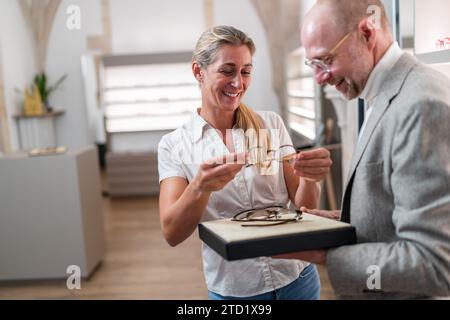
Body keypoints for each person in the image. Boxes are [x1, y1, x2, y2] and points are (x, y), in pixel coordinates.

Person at [276, 0, 450, 299]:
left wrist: (328, 255)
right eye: (313, 65)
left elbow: (436, 265)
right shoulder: (381, 94)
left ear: (367, 33)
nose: (320, 78)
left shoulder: (420, 104)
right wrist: (345, 222)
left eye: (326, 60)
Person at [158, 25, 333, 300]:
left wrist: (310, 177)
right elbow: (172, 233)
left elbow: (303, 208)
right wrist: (200, 187)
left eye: (246, 71)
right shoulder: (174, 145)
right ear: (198, 72)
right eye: (227, 71)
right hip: (236, 291)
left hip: (297, 279)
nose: (238, 83)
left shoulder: (268, 124)